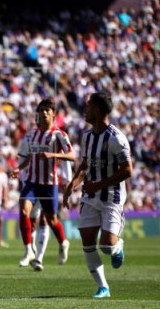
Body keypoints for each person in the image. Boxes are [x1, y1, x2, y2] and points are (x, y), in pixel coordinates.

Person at [63, 92, 132, 299]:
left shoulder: (116, 138)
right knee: (87, 242)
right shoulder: (87, 136)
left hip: (112, 196)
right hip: (90, 197)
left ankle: (117, 246)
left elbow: (127, 170)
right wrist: (72, 184)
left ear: (99, 110)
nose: (85, 109)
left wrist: (98, 185)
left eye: (89, 105)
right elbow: (85, 166)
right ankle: (103, 287)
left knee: (107, 246)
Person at [11, 98, 74, 270]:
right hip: (31, 182)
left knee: (51, 220)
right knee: (24, 210)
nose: (44, 113)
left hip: (49, 184)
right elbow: (30, 157)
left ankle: (63, 243)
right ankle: (28, 250)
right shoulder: (32, 135)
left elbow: (72, 156)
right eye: (41, 110)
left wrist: (53, 155)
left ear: (53, 114)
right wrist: (19, 168)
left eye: (47, 110)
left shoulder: (59, 135)